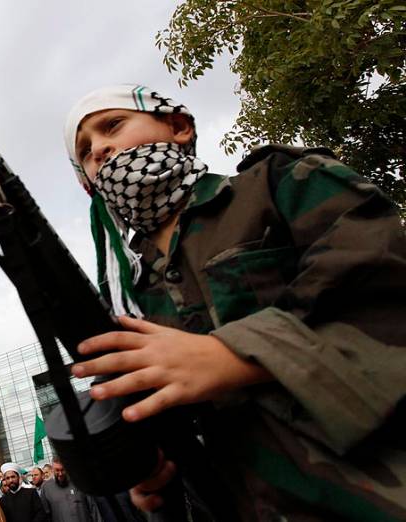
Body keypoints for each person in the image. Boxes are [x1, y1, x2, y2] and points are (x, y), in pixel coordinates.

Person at [64, 84, 406, 520]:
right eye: (85, 151)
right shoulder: (129, 295)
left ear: (178, 125)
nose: (100, 149)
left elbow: (380, 289)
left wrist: (236, 355)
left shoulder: (279, 183)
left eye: (112, 125)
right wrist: (155, 475)